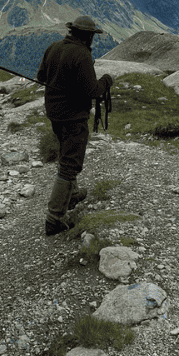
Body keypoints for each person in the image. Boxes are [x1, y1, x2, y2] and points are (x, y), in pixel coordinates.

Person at [37, 15, 113, 236]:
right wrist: (107, 80)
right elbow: (93, 91)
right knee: (70, 164)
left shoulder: (53, 47)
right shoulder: (82, 54)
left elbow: (41, 76)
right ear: (89, 36)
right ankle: (54, 219)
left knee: (66, 153)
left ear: (72, 31)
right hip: (74, 118)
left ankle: (72, 195)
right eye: (92, 36)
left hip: (55, 115)